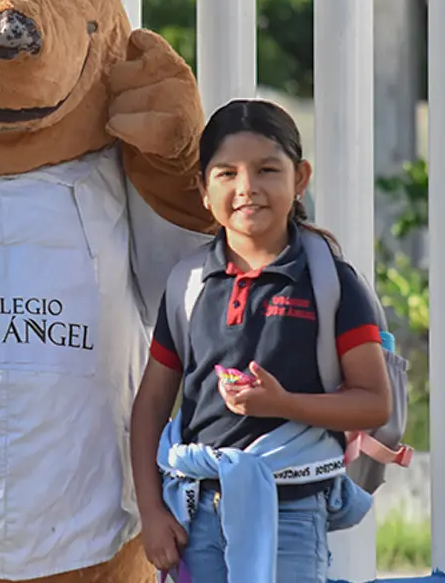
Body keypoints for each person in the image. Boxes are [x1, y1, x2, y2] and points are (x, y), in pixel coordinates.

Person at [129, 99, 393, 583]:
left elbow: (374, 403)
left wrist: (284, 403)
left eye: (268, 169)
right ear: (203, 190)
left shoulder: (329, 283)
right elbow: (150, 407)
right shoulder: (189, 284)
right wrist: (151, 512)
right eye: (226, 173)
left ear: (301, 178)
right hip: (198, 514)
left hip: (293, 512)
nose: (247, 188)